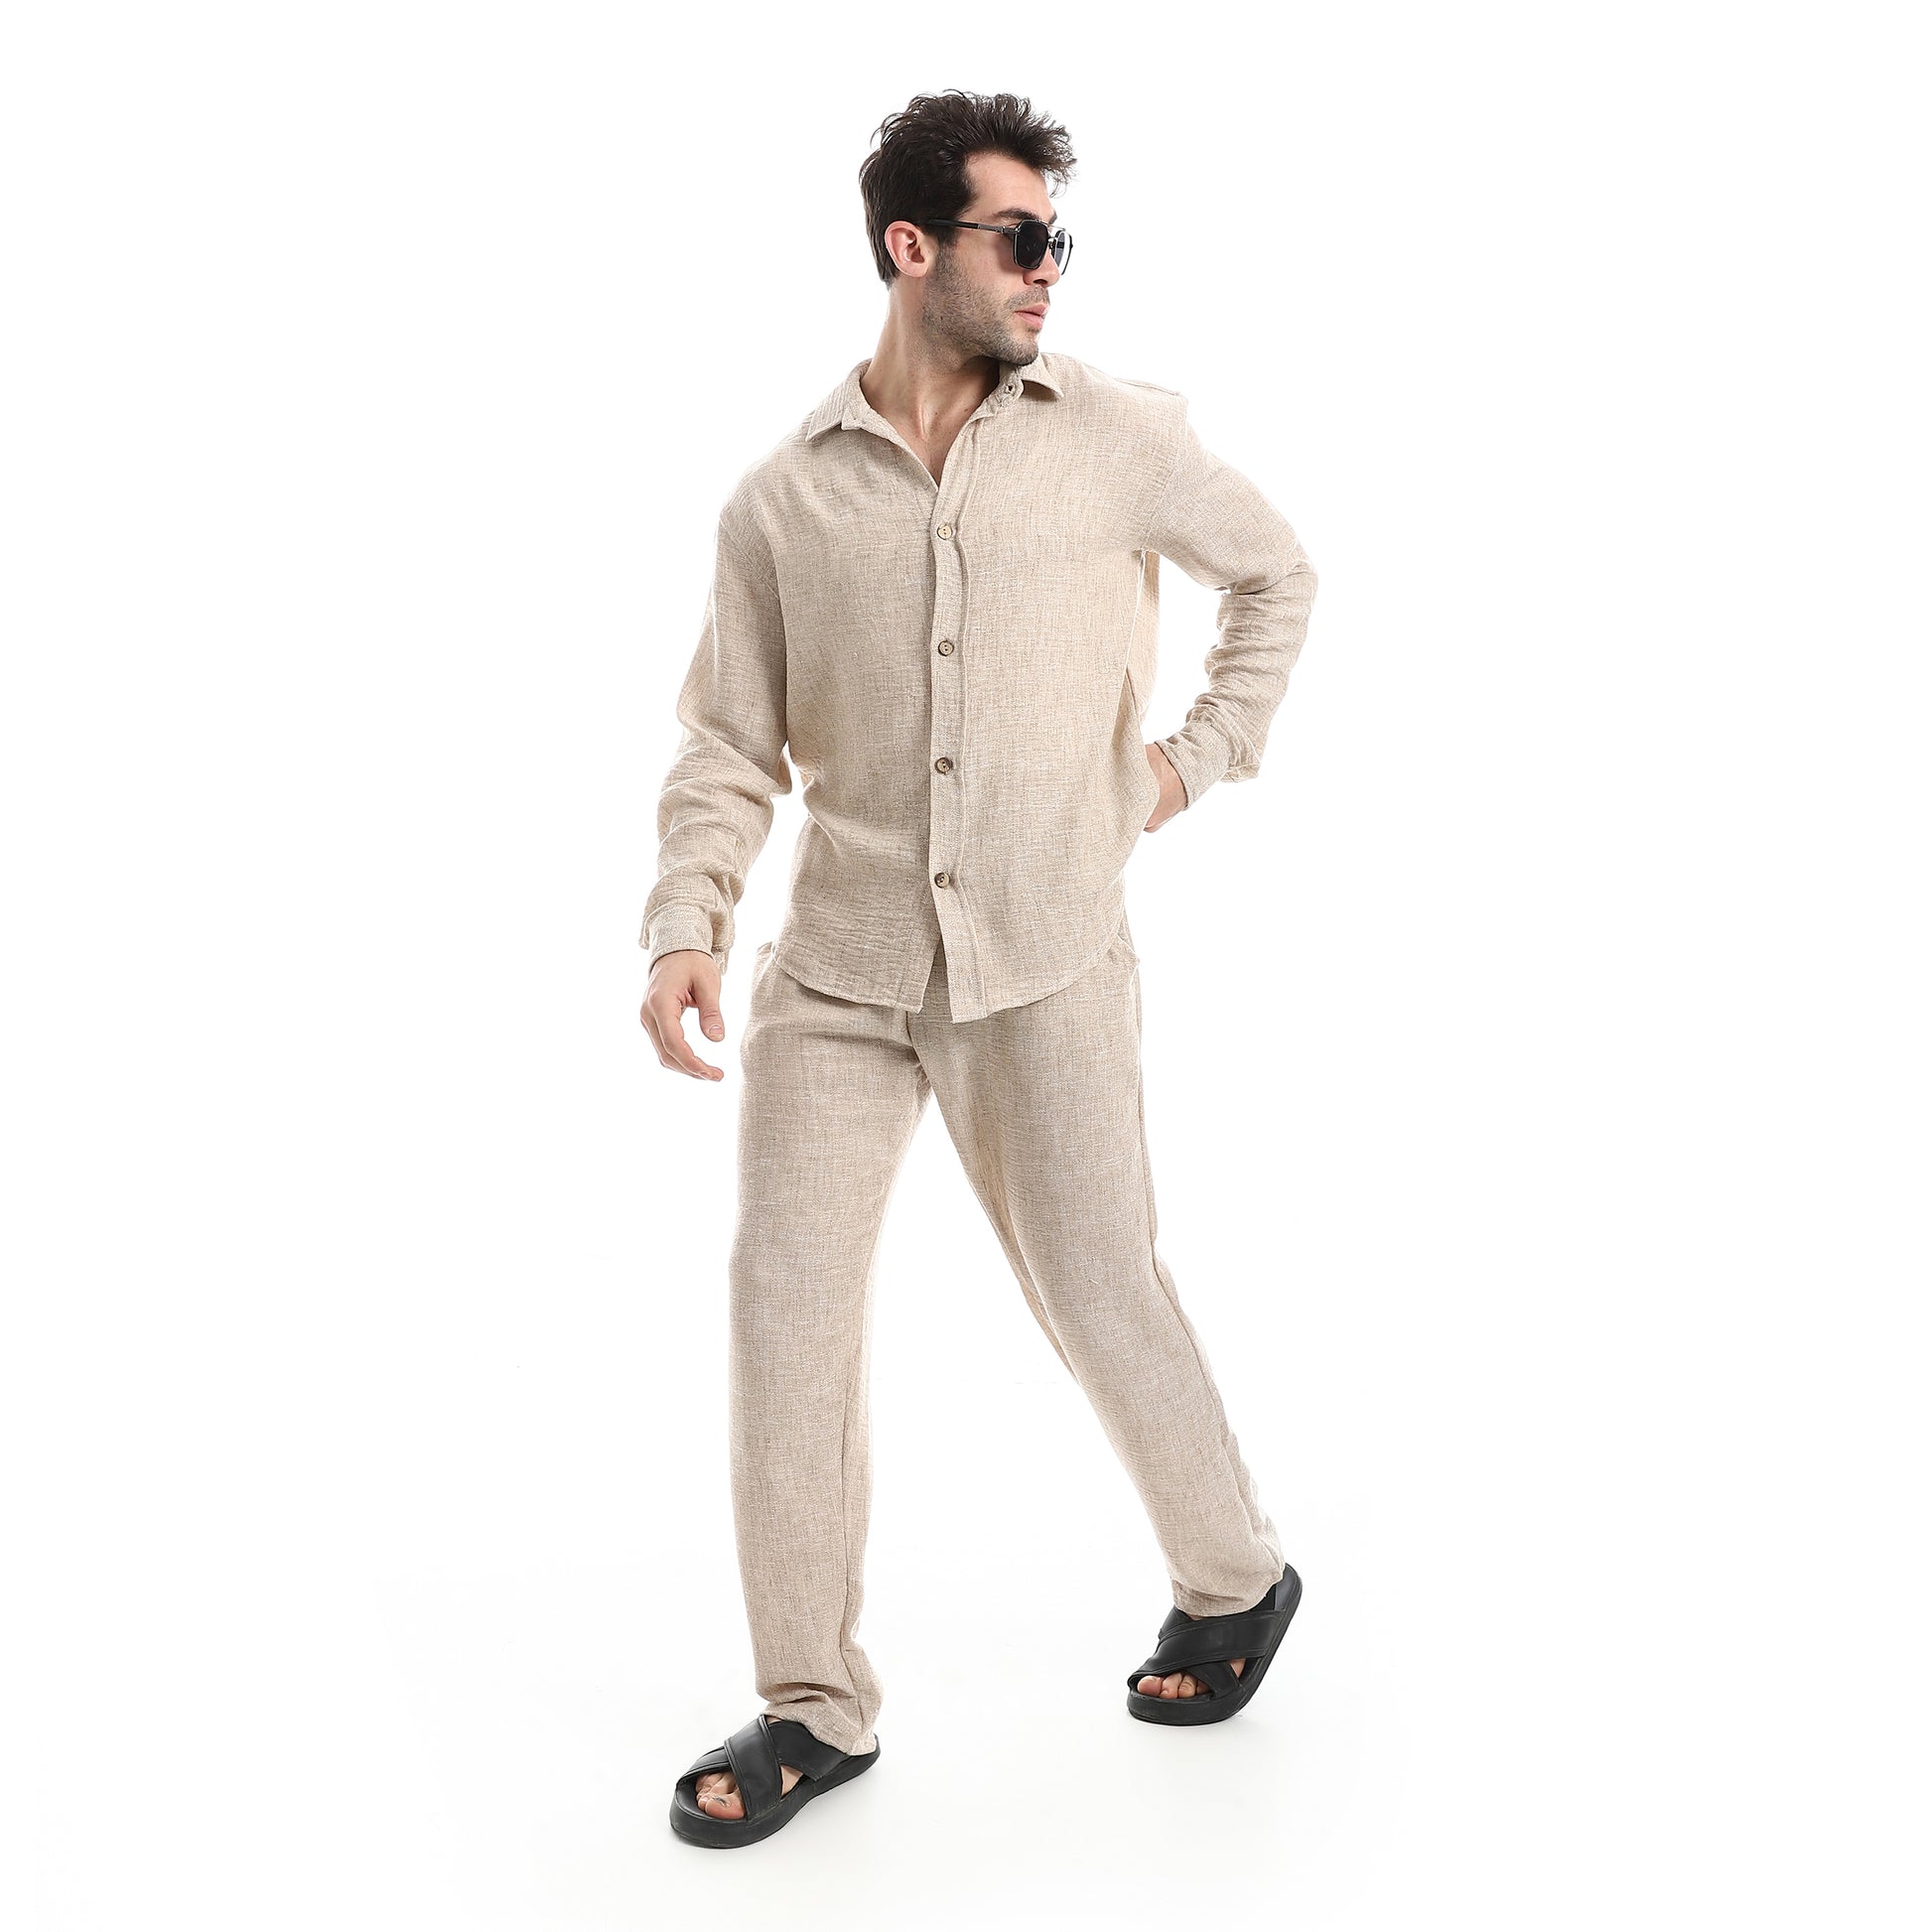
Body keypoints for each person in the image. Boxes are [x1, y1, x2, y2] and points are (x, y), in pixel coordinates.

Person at [640, 89, 1317, 1848]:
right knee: (783, 1315)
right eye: (1018, 238)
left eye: (1056, 241)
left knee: (1098, 1286)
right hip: (840, 972)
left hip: (1047, 954)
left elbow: (1276, 578)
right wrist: (687, 919)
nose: (1046, 270)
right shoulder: (779, 501)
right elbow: (727, 742)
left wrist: (1185, 764)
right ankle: (813, 1702)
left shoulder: (1120, 437)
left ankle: (1233, 1576)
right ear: (910, 247)